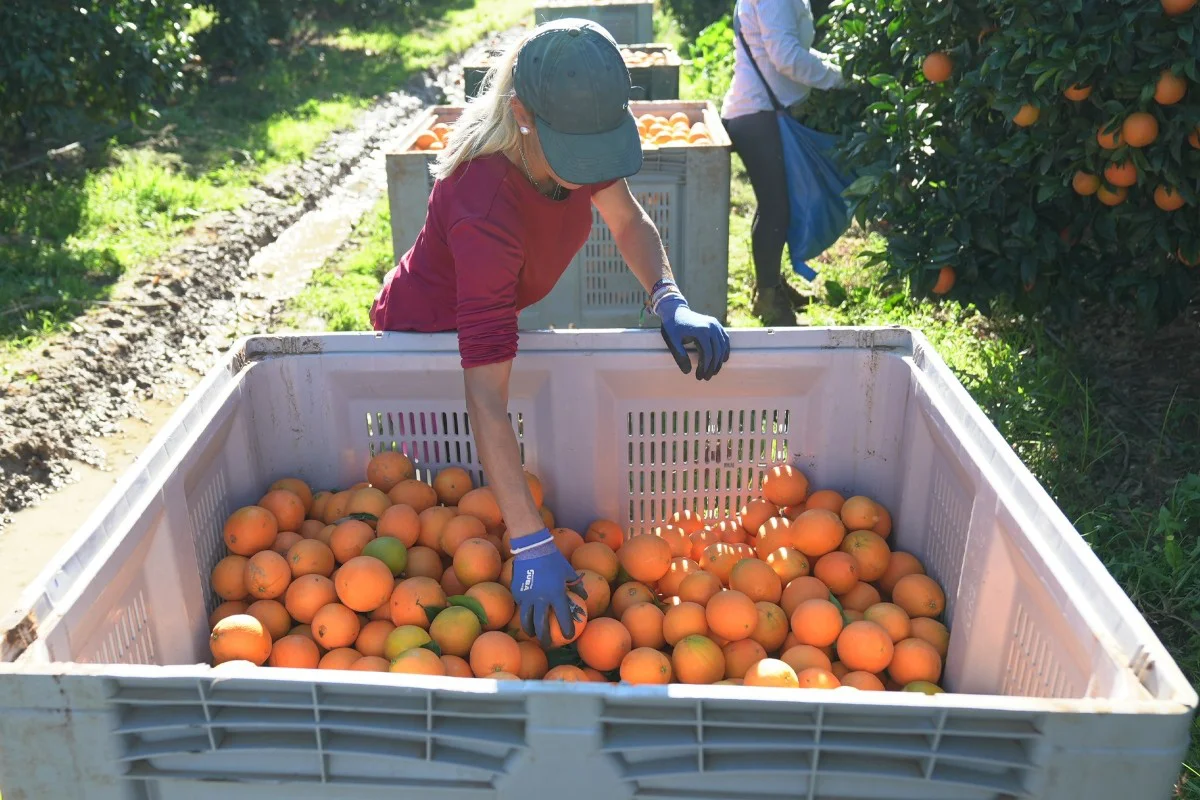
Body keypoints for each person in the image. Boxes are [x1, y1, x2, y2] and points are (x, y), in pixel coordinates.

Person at [369, 19, 730, 646]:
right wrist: (532, 543)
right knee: (439, 502)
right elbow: (484, 398)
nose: (587, 172)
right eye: (576, 156)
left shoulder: (572, 136)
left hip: (487, 321)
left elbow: (628, 220)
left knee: (470, 508)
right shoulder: (482, 208)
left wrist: (668, 296)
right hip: (426, 341)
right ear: (521, 115)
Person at [721, 0, 846, 326]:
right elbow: (785, 56)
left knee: (774, 204)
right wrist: (837, 79)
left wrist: (836, 65)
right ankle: (768, 298)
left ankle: (770, 285)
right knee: (777, 207)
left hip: (762, 112)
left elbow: (792, 46)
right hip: (758, 114)